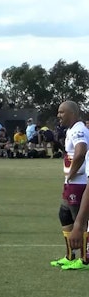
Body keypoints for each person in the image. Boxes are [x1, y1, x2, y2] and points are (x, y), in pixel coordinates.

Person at [50, 101, 89, 270]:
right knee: (64, 215)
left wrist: (71, 174)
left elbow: (81, 152)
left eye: (61, 112)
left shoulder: (79, 130)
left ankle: (84, 258)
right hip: (72, 183)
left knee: (80, 219)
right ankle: (70, 255)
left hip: (79, 184)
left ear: (72, 113)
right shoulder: (71, 130)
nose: (59, 115)